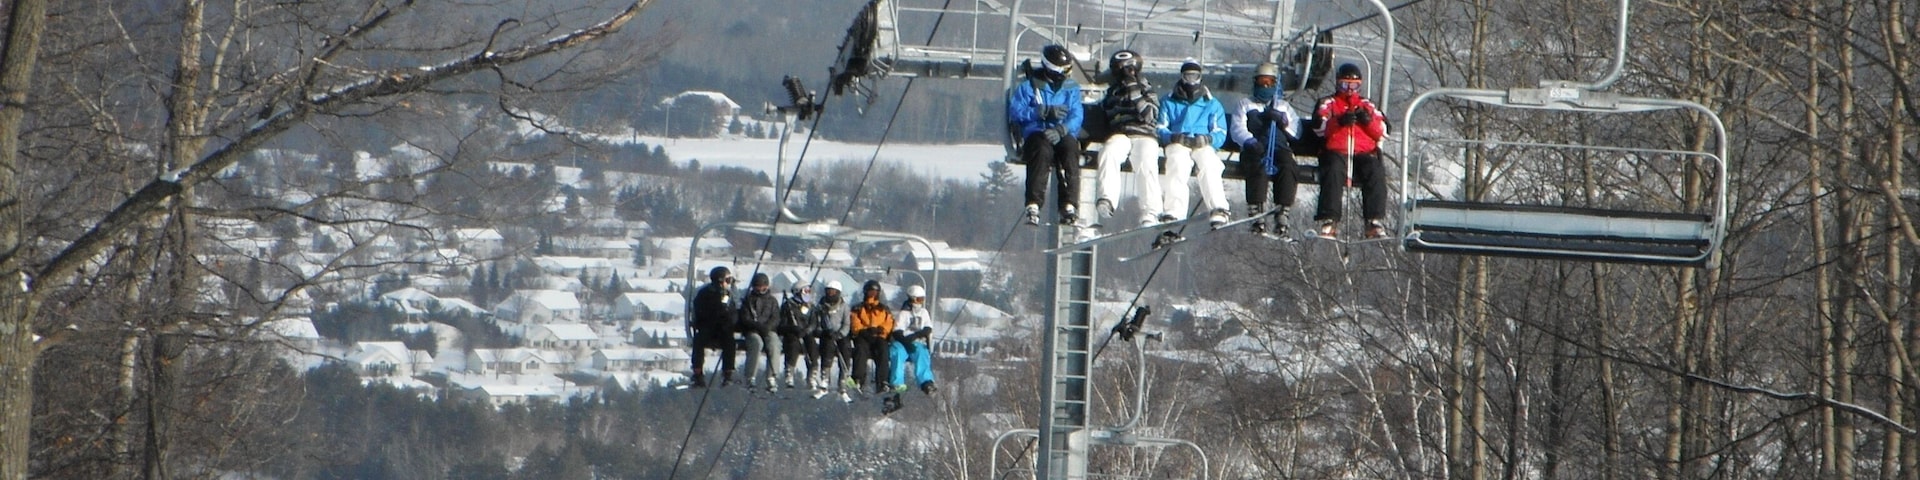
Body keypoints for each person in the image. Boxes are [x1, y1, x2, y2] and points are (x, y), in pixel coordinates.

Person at [1008, 44, 1084, 226]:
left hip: (1061, 133)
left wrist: (1062, 129)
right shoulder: (1029, 87)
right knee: (1042, 152)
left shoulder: (1070, 88)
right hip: (1037, 132)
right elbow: (1015, 112)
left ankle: (1069, 204)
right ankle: (1033, 202)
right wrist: (1040, 112)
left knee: (1070, 149)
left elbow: (1077, 113)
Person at [1312, 63, 1390, 239]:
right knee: (1332, 169)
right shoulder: (1328, 103)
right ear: (1338, 84)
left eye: (1353, 86)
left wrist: (1368, 121)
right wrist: (1338, 122)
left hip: (1363, 152)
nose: (1349, 90)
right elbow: (1319, 127)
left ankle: (1374, 220)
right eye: (1344, 85)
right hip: (1336, 150)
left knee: (1375, 170)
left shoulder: (1366, 104)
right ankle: (1329, 218)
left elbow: (1383, 132)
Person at [1228, 62, 1302, 237]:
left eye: (1269, 82)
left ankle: (1282, 210)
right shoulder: (1246, 104)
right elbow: (1237, 128)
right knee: (1258, 167)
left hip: (1279, 147)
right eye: (1262, 82)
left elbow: (1297, 131)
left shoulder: (1282, 106)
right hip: (1255, 147)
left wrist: (1284, 122)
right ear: (1256, 83)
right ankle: (1256, 210)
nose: (1265, 86)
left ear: (1275, 84)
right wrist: (1250, 141)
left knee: (1288, 166)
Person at [1092, 50, 1163, 228]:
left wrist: (1134, 90)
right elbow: (1108, 116)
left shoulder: (1146, 87)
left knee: (1146, 159)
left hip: (1144, 134)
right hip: (1122, 134)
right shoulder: (1113, 92)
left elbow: (1149, 114)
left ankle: (1150, 210)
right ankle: (1107, 198)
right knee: (1109, 151)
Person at [1157, 60, 1231, 228]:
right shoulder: (1169, 101)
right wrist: (1173, 137)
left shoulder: (1211, 103)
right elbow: (1160, 127)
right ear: (1182, 77)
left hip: (1201, 143)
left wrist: (1208, 139)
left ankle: (1219, 208)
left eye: (1195, 76)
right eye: (1188, 76)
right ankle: (1174, 211)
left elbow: (1221, 131)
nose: (1191, 81)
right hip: (1179, 142)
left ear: (1200, 78)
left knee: (1209, 163)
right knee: (1177, 161)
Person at [688, 266, 738, 388]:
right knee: (698, 341)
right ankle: (698, 373)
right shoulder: (705, 294)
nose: (729, 283)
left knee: (730, 342)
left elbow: (733, 312)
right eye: (727, 280)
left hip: (723, 329)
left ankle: (728, 373)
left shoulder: (729, 294)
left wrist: (729, 321)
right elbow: (699, 313)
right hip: (708, 327)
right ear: (720, 280)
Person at [735, 273, 782, 393]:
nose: (761, 289)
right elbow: (745, 318)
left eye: (763, 286)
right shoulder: (748, 301)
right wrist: (757, 326)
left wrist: (768, 327)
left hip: (768, 330)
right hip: (752, 331)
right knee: (756, 343)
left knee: (774, 344)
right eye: (758, 286)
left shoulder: (772, 301)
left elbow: (776, 317)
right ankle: (750, 376)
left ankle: (772, 376)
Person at [848, 280, 896, 394]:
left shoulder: (883, 309)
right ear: (865, 292)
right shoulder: (858, 308)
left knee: (883, 350)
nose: (872, 295)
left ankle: (883, 381)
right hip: (863, 336)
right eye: (870, 292)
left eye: (875, 292)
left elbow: (889, 322)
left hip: (879, 336)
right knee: (860, 350)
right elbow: (854, 322)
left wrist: (881, 330)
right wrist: (863, 331)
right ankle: (858, 378)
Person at [888, 285, 937, 395]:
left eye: (922, 300)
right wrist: (906, 341)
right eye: (918, 299)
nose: (920, 302)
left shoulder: (924, 313)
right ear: (912, 299)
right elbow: (897, 332)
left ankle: (926, 382)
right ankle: (897, 383)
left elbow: (928, 328)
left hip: (917, 341)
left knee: (921, 353)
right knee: (897, 352)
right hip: (902, 342)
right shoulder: (903, 314)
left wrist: (915, 336)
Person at [811, 281, 854, 401]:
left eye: (833, 291)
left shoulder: (844, 307)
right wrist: (822, 331)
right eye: (828, 291)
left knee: (845, 351)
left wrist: (840, 334)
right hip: (827, 335)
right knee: (827, 350)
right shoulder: (820, 307)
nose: (830, 293)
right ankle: (825, 381)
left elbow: (846, 324)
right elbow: (817, 322)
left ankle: (842, 384)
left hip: (840, 335)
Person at [776, 284, 818, 391]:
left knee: (812, 346)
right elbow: (781, 325)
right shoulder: (788, 305)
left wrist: (806, 330)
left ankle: (812, 373)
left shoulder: (811, 307)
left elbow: (814, 322)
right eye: (805, 291)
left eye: (809, 291)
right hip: (792, 334)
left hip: (806, 334)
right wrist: (792, 328)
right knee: (793, 346)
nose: (807, 293)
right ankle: (789, 372)